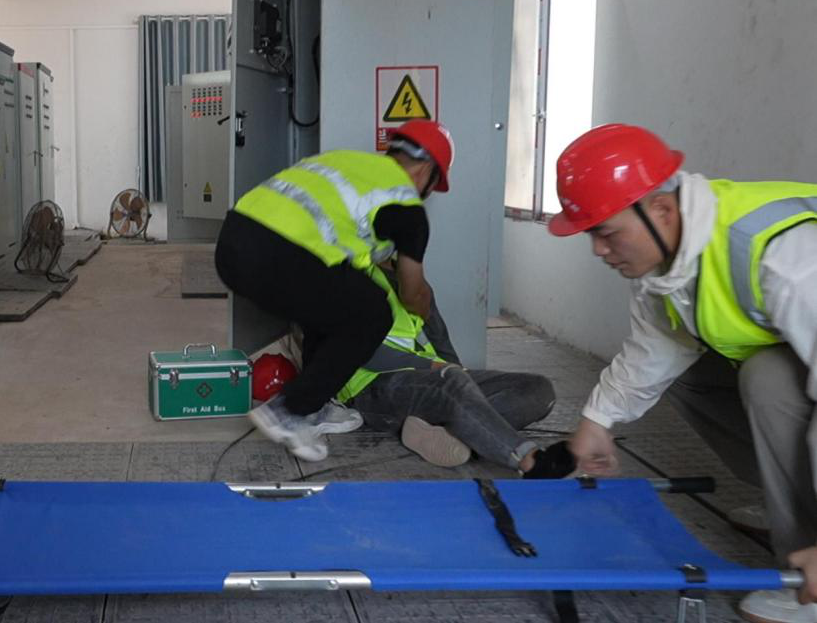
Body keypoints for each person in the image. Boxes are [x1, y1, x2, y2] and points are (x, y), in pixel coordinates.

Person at [547, 123, 816, 622]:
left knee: (769, 382)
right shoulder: (667, 267)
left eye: (606, 232)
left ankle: (810, 578)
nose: (598, 250)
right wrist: (597, 421)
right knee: (693, 374)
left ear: (662, 211)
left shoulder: (784, 258)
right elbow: (655, 350)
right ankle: (796, 508)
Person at [214, 120, 453, 462]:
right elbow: (412, 293)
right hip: (280, 255)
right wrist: (426, 311)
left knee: (335, 305)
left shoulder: (346, 163)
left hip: (231, 246)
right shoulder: (406, 205)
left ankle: (314, 405)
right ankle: (290, 411)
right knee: (374, 313)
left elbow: (350, 248)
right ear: (426, 171)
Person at [336, 263, 574, 478]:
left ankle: (440, 434)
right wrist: (440, 371)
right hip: (372, 387)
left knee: (536, 389)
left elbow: (439, 338)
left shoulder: (412, 283)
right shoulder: (353, 276)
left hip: (432, 382)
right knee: (451, 382)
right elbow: (360, 351)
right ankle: (527, 459)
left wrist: (459, 375)